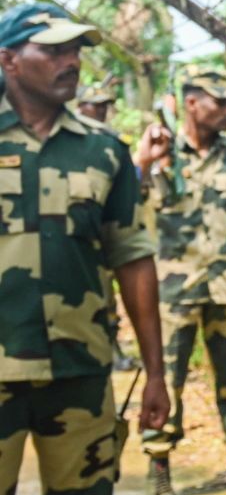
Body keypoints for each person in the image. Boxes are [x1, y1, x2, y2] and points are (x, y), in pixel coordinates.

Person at [0, 2, 169, 495]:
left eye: (76, 50)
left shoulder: (105, 151)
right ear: (9, 60)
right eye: (53, 50)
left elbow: (134, 261)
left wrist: (155, 373)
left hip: (81, 374)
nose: (71, 61)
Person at [133, 65, 226, 495]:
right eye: (218, 100)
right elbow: (125, 206)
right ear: (192, 103)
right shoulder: (161, 152)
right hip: (171, 293)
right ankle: (160, 465)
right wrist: (146, 162)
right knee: (164, 379)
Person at [75, 81, 138, 372]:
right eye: (94, 105)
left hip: (108, 242)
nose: (100, 110)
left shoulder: (110, 145)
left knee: (107, 305)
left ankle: (112, 354)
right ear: (80, 107)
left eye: (103, 105)